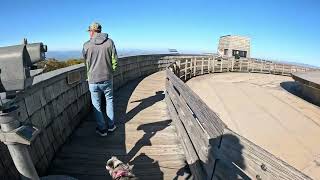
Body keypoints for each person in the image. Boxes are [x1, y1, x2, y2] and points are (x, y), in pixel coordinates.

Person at [83, 22, 118, 136]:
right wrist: (111, 72)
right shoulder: (110, 42)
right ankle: (111, 125)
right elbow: (115, 60)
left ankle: (102, 129)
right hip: (107, 78)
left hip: (93, 80)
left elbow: (86, 63)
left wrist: (88, 76)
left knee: (96, 105)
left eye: (89, 31)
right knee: (109, 101)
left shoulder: (86, 45)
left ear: (92, 31)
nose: (89, 33)